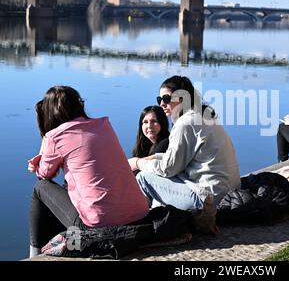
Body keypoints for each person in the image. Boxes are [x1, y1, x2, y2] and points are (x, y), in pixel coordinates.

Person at [27, 86, 149, 258]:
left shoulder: (55, 136)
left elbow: (44, 175)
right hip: (140, 214)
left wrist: (45, 143)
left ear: (50, 112)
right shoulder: (103, 125)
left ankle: (35, 255)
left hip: (99, 226)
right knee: (69, 185)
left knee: (40, 188)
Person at [134, 76, 241, 211]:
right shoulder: (203, 116)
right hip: (230, 194)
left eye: (166, 99)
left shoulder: (185, 123)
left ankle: (143, 220)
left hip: (211, 201)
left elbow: (169, 168)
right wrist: (155, 157)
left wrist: (138, 163)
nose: (161, 104)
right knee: (161, 180)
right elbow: (180, 160)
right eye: (159, 99)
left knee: (143, 177)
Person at [128, 105, 170, 172]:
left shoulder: (165, 143)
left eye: (154, 121)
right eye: (145, 122)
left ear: (162, 123)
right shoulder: (143, 146)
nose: (149, 126)